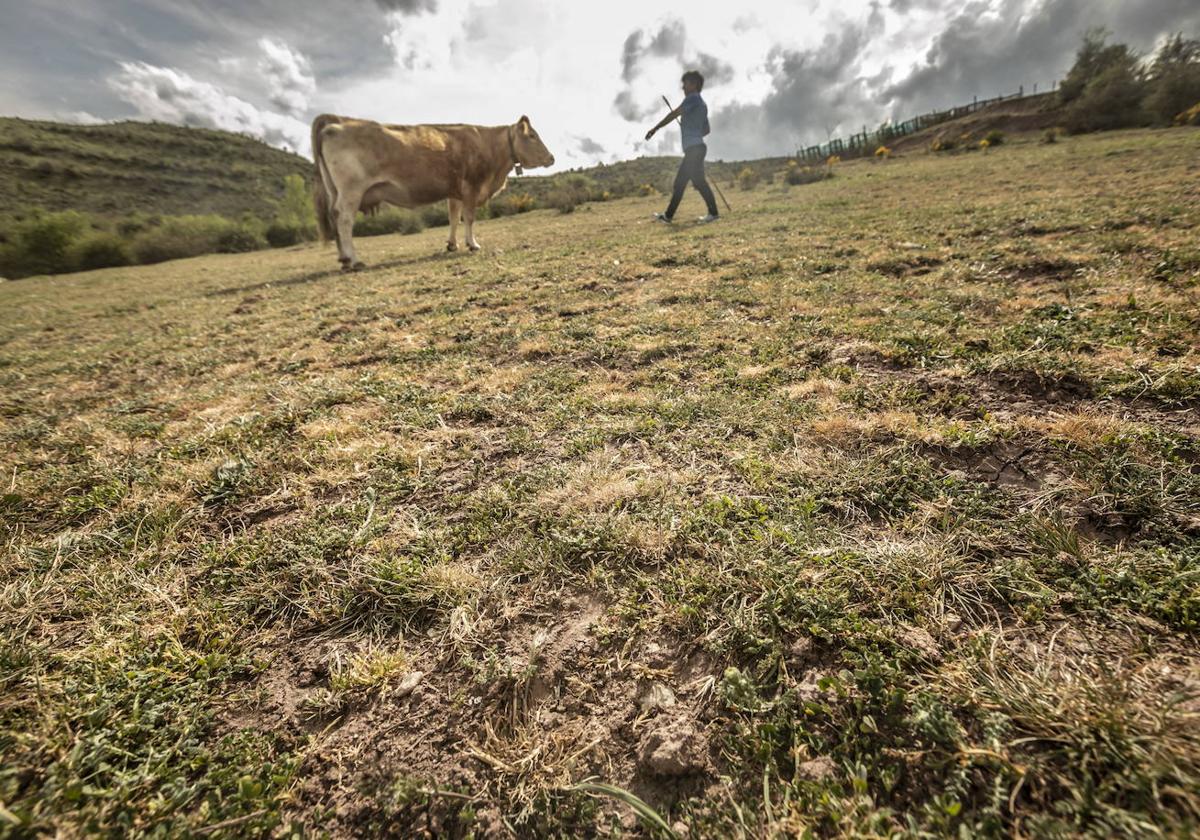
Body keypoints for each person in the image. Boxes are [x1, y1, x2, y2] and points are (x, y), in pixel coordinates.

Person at [645, 70, 719, 224]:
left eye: (685, 84)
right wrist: (691, 127)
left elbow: (674, 114)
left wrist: (655, 128)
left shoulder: (692, 99)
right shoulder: (702, 104)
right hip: (698, 147)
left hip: (694, 149)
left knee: (687, 182)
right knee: (689, 182)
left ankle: (711, 213)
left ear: (694, 85)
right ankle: (670, 215)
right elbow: (707, 130)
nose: (683, 88)